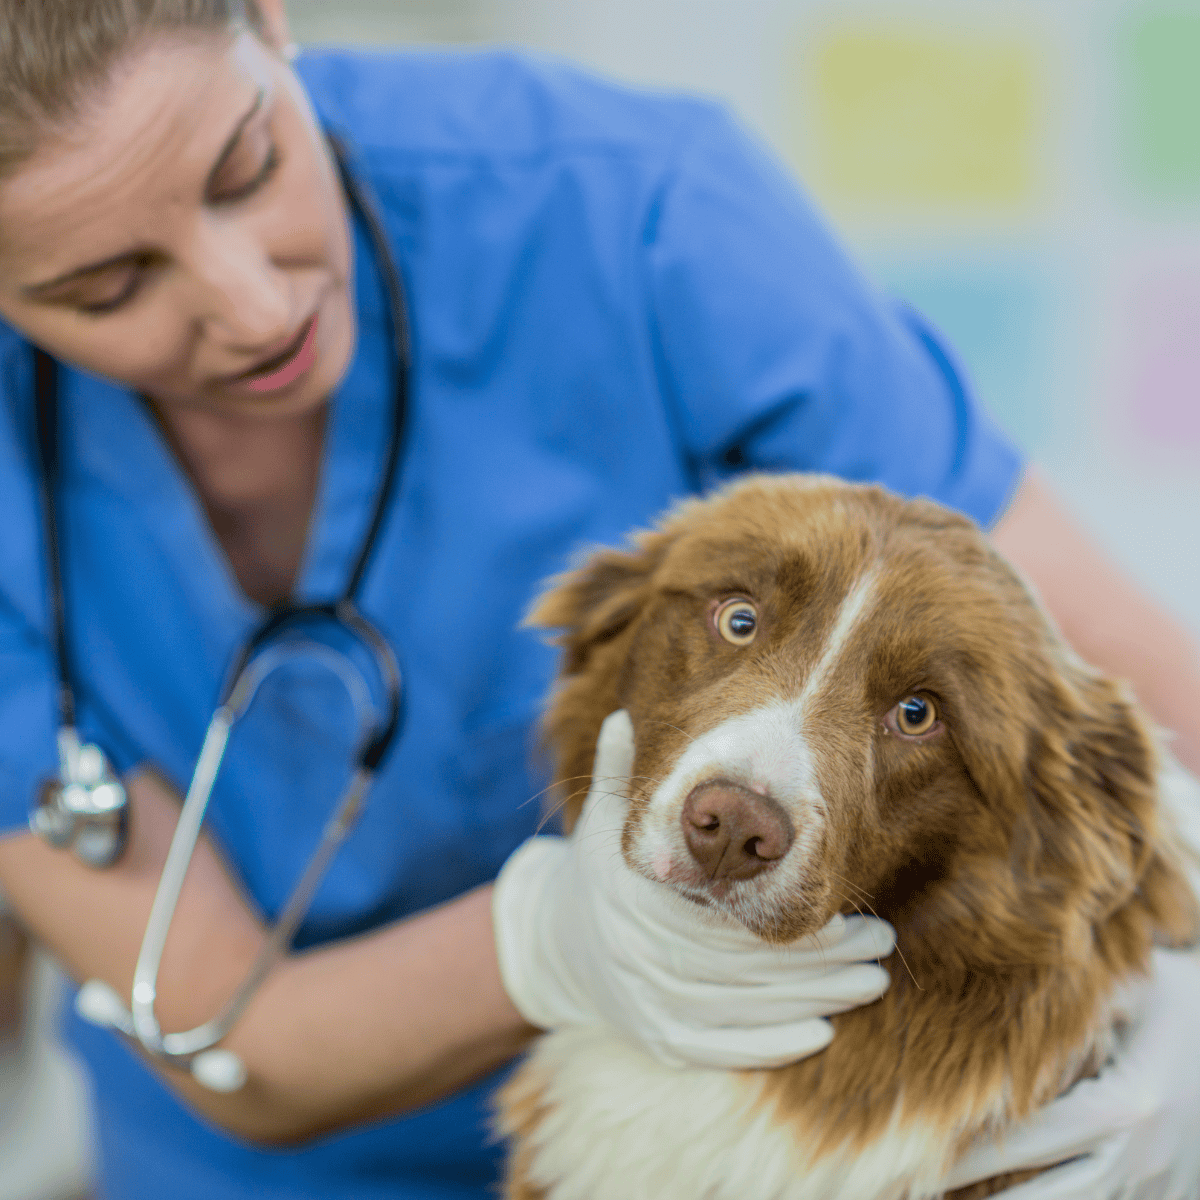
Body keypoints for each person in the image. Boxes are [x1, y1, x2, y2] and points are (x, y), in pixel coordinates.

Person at [0, 2, 1196, 1198]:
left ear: (267, 19)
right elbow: (226, 1035)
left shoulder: (637, 211)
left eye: (248, 167)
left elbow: (1135, 700)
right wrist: (548, 941)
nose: (257, 308)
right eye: (106, 287)